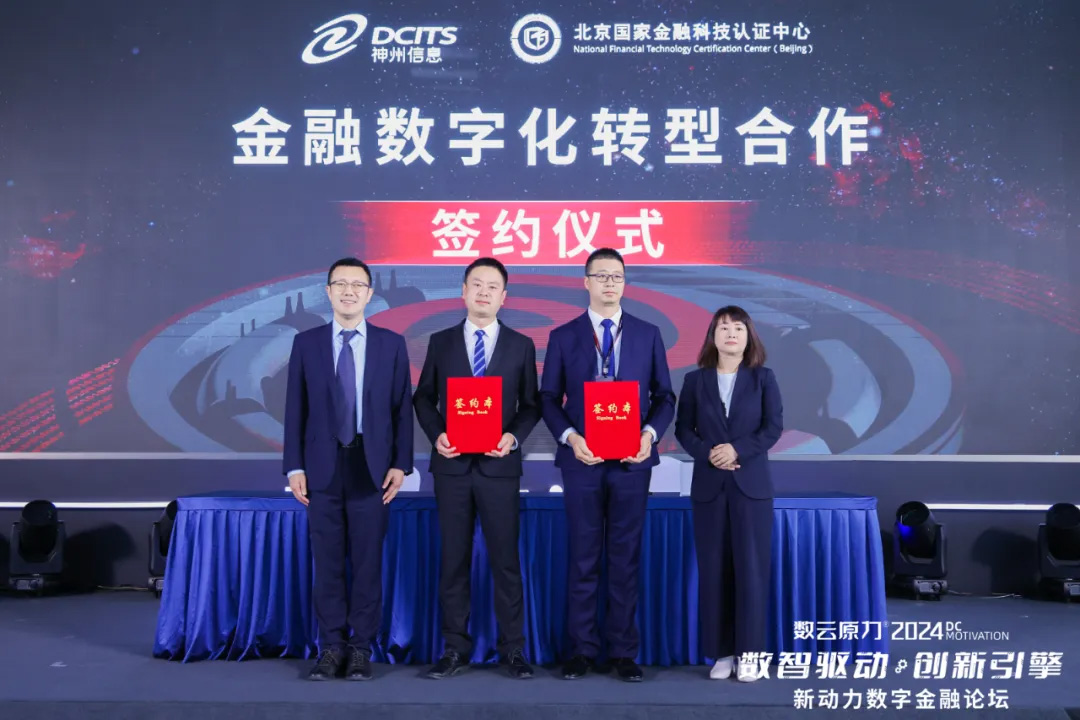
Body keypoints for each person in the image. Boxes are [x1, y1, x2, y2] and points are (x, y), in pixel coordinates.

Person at [540, 247, 676, 682]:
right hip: (582, 460)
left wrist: (648, 435)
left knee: (625, 557)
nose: (609, 283)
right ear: (586, 282)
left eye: (616, 276)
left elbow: (665, 397)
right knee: (583, 556)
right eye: (601, 276)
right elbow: (548, 398)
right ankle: (581, 650)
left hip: (632, 462)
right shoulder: (563, 335)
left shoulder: (648, 334)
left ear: (625, 282)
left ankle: (622, 652)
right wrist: (571, 437)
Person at [283, 257, 414, 681]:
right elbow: (295, 409)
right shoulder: (307, 343)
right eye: (340, 284)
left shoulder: (391, 344)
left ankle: (360, 648)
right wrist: (294, 466)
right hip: (321, 467)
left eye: (357, 285)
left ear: (370, 293)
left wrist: (401, 463)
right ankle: (330, 647)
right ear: (328, 291)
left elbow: (402, 409)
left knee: (367, 563)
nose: (349, 291)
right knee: (328, 564)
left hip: (371, 467)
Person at [413, 257, 541, 680]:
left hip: (499, 469)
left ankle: (513, 650)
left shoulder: (521, 345)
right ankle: (454, 649)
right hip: (452, 468)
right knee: (453, 561)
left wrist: (513, 437)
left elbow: (531, 405)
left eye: (492, 287)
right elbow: (423, 397)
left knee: (506, 563)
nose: (484, 292)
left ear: (504, 297)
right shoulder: (441, 342)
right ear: (463, 291)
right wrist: (437, 434)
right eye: (477, 284)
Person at [673, 305, 783, 682]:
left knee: (751, 572)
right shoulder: (695, 381)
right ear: (712, 336)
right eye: (723, 328)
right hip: (709, 487)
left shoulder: (763, 378)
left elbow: (772, 428)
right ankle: (721, 653)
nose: (731, 333)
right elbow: (684, 430)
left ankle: (749, 654)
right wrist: (709, 453)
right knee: (714, 571)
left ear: (749, 336)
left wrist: (737, 449)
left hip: (751, 488)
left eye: (738, 327)